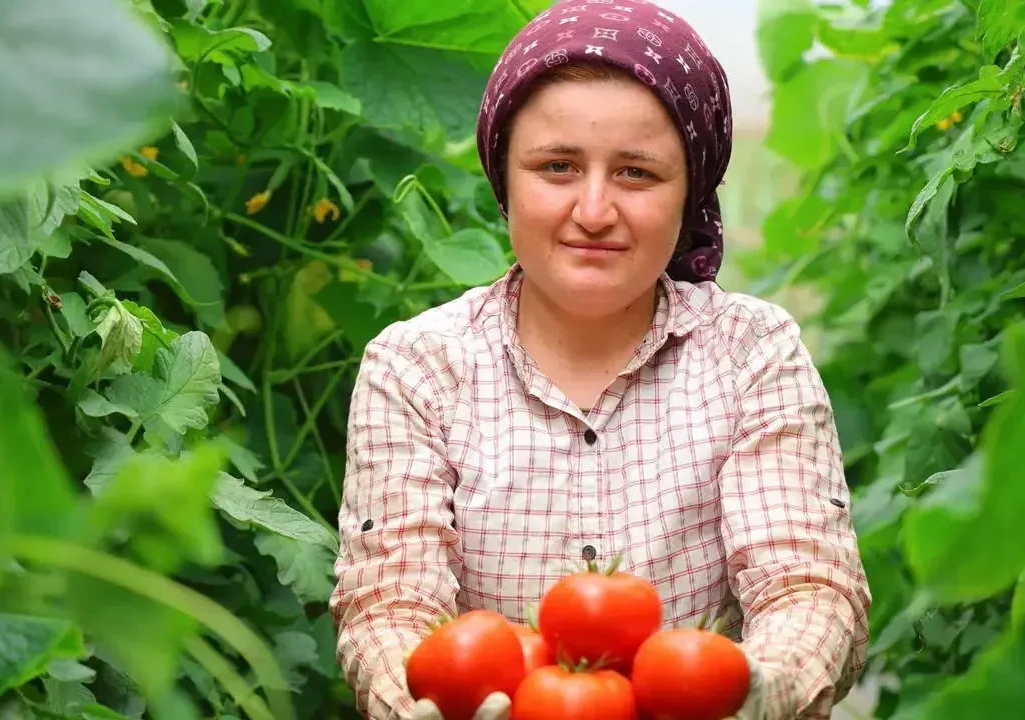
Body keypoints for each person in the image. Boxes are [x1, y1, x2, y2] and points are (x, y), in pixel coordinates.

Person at [329, 0, 872, 718]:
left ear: (691, 191)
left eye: (637, 174)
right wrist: (413, 697)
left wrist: (766, 687)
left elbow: (804, 578)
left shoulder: (752, 354)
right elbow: (390, 597)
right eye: (556, 167)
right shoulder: (417, 366)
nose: (593, 210)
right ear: (504, 179)